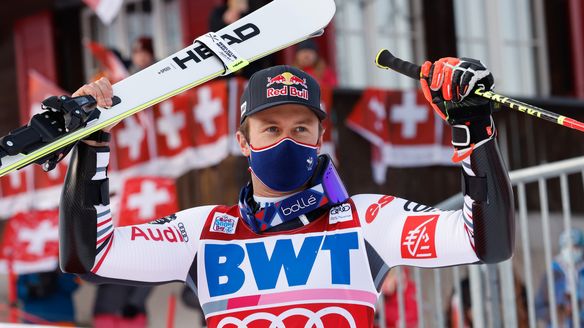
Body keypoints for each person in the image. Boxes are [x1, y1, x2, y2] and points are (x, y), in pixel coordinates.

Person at [59, 56, 514, 327]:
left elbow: (487, 240)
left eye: (301, 128)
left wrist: (472, 128)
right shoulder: (204, 232)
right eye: (270, 128)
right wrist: (93, 149)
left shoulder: (369, 220)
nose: (287, 141)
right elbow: (89, 257)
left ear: (320, 136)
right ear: (244, 140)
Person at [536, 228, 584, 327]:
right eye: (566, 247)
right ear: (561, 249)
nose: (571, 251)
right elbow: (539, 308)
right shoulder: (552, 275)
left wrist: (578, 311)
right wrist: (559, 312)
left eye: (575, 247)